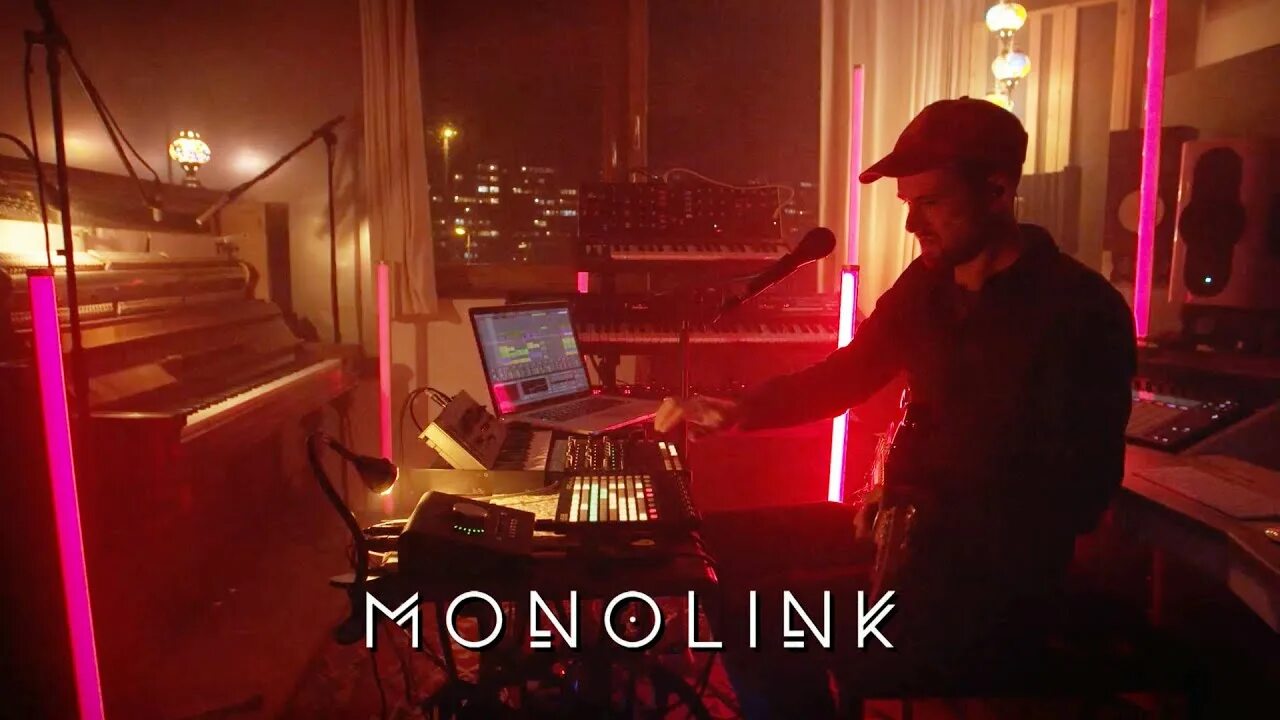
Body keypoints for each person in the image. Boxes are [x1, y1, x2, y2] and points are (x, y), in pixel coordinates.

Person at [656, 97, 1137, 716]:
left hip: (989, 594)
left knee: (764, 618)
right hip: (903, 542)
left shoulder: (1080, 311)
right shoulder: (927, 284)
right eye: (907, 203)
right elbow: (850, 372)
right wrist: (740, 409)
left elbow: (1081, 491)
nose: (912, 223)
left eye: (929, 202)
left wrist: (923, 501)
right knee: (710, 550)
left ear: (997, 191)